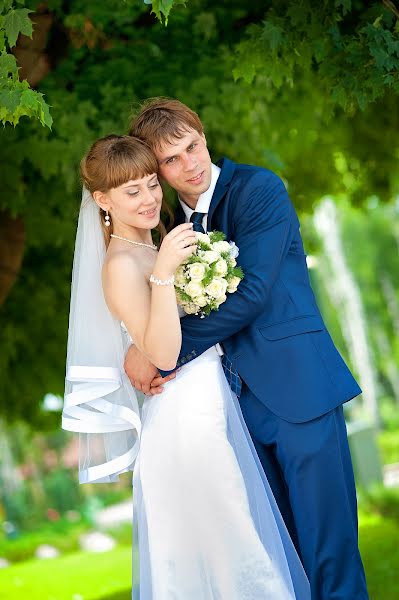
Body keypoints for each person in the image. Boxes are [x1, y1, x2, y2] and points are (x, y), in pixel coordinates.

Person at [126, 98, 370, 599]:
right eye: (171, 160)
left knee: (331, 556)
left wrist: (162, 354)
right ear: (159, 170)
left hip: (299, 392)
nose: (189, 164)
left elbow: (254, 293)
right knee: (282, 564)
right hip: (229, 413)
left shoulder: (258, 189)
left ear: (203, 134)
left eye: (192, 146)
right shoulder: (169, 226)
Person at [62, 134, 310, 599]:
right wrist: (164, 275)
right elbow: (162, 354)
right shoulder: (120, 264)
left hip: (210, 404)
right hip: (185, 420)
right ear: (102, 200)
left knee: (240, 551)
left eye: (152, 184)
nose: (150, 198)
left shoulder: (155, 247)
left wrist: (171, 267)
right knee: (235, 555)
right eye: (131, 191)